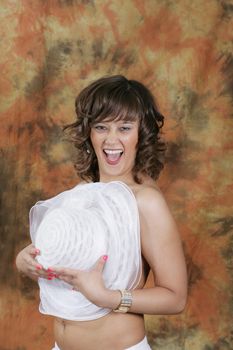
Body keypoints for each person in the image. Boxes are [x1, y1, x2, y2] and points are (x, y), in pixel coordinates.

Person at [16, 75, 187, 350]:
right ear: (89, 133)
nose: (111, 139)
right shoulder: (85, 190)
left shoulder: (146, 201)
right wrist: (26, 260)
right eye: (101, 127)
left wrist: (107, 298)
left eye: (125, 128)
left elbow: (175, 297)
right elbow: (68, 257)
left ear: (141, 134)